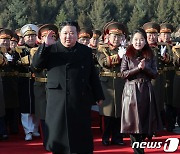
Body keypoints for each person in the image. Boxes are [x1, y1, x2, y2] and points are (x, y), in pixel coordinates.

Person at [32, 21, 104, 154]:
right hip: (57, 99)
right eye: (65, 33)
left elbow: (92, 75)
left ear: (77, 34)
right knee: (58, 135)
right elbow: (36, 66)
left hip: (79, 98)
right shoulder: (50, 49)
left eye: (72, 33)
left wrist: (99, 95)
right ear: (60, 35)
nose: (68, 36)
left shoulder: (85, 51)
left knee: (80, 137)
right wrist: (45, 46)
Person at [120, 28, 162, 154]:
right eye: (136, 39)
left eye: (141, 39)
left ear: (145, 41)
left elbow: (154, 73)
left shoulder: (150, 54)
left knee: (145, 123)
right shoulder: (127, 55)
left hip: (146, 91)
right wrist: (138, 69)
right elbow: (123, 74)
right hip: (131, 92)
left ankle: (140, 147)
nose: (138, 42)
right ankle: (138, 150)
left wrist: (145, 69)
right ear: (132, 41)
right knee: (133, 124)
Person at [97, 21, 127, 146]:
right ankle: (105, 137)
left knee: (119, 113)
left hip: (121, 83)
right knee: (108, 114)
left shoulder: (125, 49)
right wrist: (118, 57)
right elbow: (104, 62)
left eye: (119, 36)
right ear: (108, 36)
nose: (116, 39)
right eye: (114, 36)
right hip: (107, 85)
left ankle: (117, 137)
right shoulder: (102, 49)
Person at [31, 23, 59, 146]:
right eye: (45, 36)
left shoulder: (59, 51)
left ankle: (57, 140)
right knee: (44, 115)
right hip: (41, 87)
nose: (49, 38)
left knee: (57, 115)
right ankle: (47, 141)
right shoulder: (35, 51)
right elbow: (35, 68)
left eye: (52, 36)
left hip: (56, 88)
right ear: (41, 38)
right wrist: (45, 47)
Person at [17, 24, 40, 141]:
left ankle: (35, 129)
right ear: (24, 38)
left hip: (38, 81)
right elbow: (15, 63)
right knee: (26, 108)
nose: (31, 39)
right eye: (28, 37)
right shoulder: (18, 50)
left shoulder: (41, 49)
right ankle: (28, 131)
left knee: (37, 107)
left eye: (33, 36)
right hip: (24, 81)